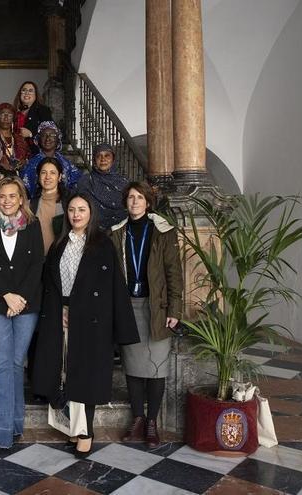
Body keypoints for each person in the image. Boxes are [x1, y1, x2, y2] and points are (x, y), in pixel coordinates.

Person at [32, 191, 139, 458]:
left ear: (90, 213)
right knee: (64, 373)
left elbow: (112, 287)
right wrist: (59, 311)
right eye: (71, 210)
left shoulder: (102, 244)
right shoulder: (59, 244)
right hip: (61, 316)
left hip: (90, 321)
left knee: (86, 377)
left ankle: (86, 432)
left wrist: (117, 327)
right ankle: (72, 427)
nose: (76, 214)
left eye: (81, 209)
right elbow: (50, 285)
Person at [110, 181, 182, 448]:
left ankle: (152, 422)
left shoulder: (163, 231)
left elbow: (174, 272)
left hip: (157, 307)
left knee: (157, 368)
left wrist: (175, 309)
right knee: (133, 366)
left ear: (148, 202)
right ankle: (138, 418)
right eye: (130, 197)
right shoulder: (117, 232)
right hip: (129, 305)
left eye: (139, 197)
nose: (135, 202)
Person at [0, 176, 44, 448]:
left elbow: (36, 264)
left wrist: (20, 299)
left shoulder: (33, 225)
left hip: (27, 305)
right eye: (2, 196)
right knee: (2, 364)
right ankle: (2, 429)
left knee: (17, 363)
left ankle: (17, 422)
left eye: (12, 196)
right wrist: (6, 295)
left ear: (21, 199)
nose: (7, 201)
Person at [21, 121, 81, 199]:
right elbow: (25, 190)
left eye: (52, 135)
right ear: (38, 139)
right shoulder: (30, 164)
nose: (48, 138)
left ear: (58, 139)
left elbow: (77, 183)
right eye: (44, 135)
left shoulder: (66, 163)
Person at [75, 142, 129, 230]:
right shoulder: (85, 181)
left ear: (113, 159)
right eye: (98, 156)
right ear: (94, 160)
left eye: (107, 155)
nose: (103, 159)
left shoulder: (123, 182)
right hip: (91, 232)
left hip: (120, 232)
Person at [30, 157, 66, 254]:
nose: (47, 177)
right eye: (43, 172)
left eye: (53, 173)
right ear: (38, 176)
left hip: (60, 260)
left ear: (59, 177)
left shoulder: (68, 204)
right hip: (36, 261)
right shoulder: (30, 205)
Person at [14, 81, 53, 154]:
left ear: (36, 95)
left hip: (35, 153)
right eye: (24, 90)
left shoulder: (43, 110)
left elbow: (50, 132)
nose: (27, 93)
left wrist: (31, 134)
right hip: (16, 153)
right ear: (20, 94)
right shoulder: (14, 112)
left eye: (30, 91)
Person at [0, 103, 29, 171]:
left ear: (13, 119)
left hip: (18, 177)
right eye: (2, 114)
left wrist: (24, 161)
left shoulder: (20, 139)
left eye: (9, 115)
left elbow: (27, 157)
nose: (6, 118)